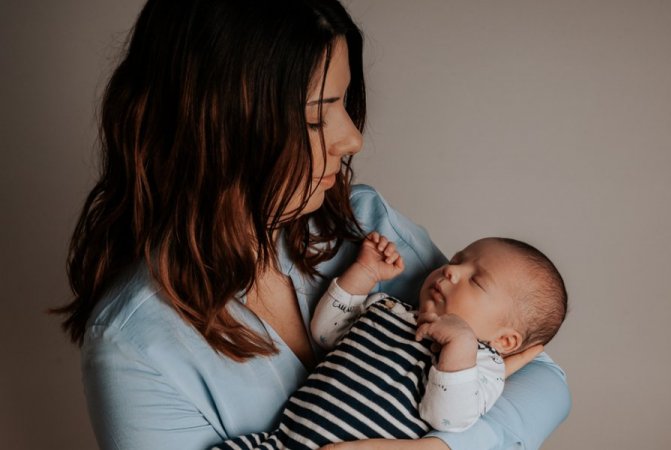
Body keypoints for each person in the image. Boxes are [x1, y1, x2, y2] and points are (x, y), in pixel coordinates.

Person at [53, 1, 570, 449]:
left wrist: (442, 449)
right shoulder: (136, 347)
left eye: (345, 103)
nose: (351, 139)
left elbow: (539, 374)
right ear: (221, 128)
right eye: (316, 115)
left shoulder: (364, 223)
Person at [214, 233, 567, 449]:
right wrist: (363, 276)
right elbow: (326, 334)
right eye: (459, 260)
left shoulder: (482, 365)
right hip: (284, 440)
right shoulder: (389, 308)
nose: (451, 270)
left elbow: (447, 419)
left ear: (505, 339)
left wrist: (460, 345)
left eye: (475, 281)